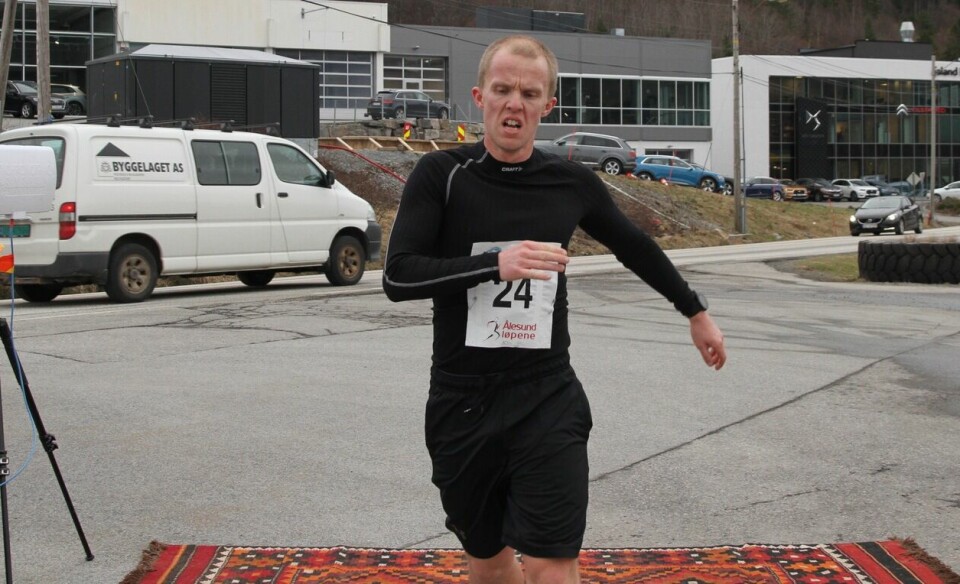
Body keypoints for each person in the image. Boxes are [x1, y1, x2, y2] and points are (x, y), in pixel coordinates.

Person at [382, 34, 726, 584]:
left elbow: (633, 245)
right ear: (479, 97)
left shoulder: (570, 182)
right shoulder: (441, 176)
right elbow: (398, 276)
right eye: (502, 90)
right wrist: (498, 263)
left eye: (528, 92)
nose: (514, 102)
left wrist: (694, 310)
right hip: (461, 401)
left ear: (548, 105)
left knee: (550, 561)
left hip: (547, 396)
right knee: (490, 561)